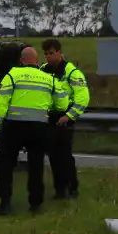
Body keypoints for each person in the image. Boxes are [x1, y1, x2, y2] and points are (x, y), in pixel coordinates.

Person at [0, 46, 68, 216]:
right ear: (37, 61)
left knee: (5, 166)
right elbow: (62, 103)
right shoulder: (49, 78)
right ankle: (35, 204)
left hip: (14, 127)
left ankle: (5, 204)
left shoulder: (12, 75)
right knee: (36, 166)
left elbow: (0, 103)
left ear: (21, 61)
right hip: (39, 127)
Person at [41, 38, 91, 200]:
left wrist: (68, 117)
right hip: (48, 118)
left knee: (65, 156)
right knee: (53, 156)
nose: (48, 57)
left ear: (59, 53)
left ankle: (72, 188)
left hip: (65, 118)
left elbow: (82, 98)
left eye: (51, 53)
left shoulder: (72, 72)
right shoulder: (42, 70)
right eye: (46, 54)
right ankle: (59, 190)